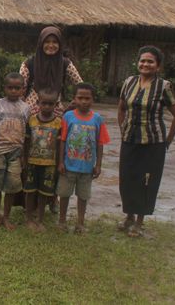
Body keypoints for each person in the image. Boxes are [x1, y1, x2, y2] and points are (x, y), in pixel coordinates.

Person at [117, 46, 175, 237]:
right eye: (142, 61)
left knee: (146, 181)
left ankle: (139, 222)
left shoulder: (164, 87)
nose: (145, 64)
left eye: (150, 61)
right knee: (127, 179)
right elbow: (121, 108)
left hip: (153, 143)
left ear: (158, 66)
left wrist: (167, 141)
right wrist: (123, 129)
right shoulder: (129, 82)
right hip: (129, 140)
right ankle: (128, 216)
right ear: (138, 63)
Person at [19, 25, 83, 212]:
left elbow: (80, 84)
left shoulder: (65, 63)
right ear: (41, 43)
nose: (51, 45)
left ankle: (51, 199)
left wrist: (70, 106)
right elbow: (21, 89)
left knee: (54, 157)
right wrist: (21, 111)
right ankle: (27, 199)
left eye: (55, 42)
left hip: (56, 114)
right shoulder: (29, 63)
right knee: (30, 156)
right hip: (32, 113)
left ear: (60, 44)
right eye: (47, 42)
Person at [57, 82, 110, 234]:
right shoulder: (68, 116)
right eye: (80, 98)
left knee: (83, 196)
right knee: (64, 194)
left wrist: (98, 165)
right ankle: (62, 221)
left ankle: (80, 223)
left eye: (87, 98)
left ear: (93, 99)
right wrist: (60, 161)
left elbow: (100, 144)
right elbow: (62, 140)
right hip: (68, 166)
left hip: (87, 168)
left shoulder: (98, 119)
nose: (84, 101)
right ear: (74, 99)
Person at [0, 73, 31, 230]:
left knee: (11, 186)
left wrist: (24, 155)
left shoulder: (26, 108)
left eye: (17, 88)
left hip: (16, 153)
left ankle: (7, 217)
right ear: (4, 88)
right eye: (10, 87)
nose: (13, 91)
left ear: (23, 90)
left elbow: (27, 135)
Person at [22, 89, 62, 232]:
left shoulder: (58, 123)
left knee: (44, 193)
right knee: (30, 191)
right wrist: (24, 159)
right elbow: (26, 142)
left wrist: (59, 163)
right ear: (38, 103)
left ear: (55, 105)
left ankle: (40, 219)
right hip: (32, 162)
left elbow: (59, 145)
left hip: (49, 165)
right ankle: (28, 218)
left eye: (50, 104)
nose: (47, 107)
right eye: (44, 103)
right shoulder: (31, 120)